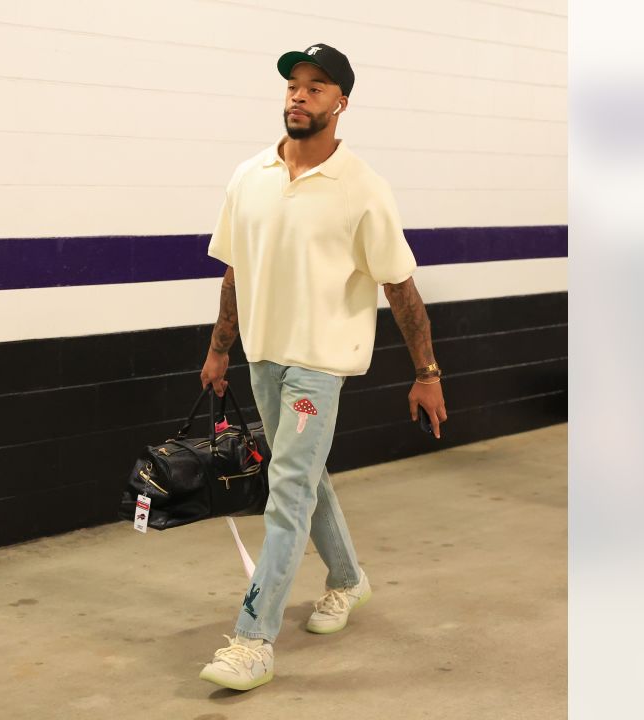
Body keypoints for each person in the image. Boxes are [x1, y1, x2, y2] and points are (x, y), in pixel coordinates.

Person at [196, 43, 448, 692]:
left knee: (287, 493)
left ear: (341, 103)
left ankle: (253, 640)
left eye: (316, 86)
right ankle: (347, 580)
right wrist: (221, 348)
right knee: (304, 478)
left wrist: (428, 371)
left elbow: (401, 286)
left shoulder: (363, 188)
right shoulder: (249, 175)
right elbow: (234, 271)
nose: (299, 95)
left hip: (318, 369)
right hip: (263, 356)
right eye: (293, 85)